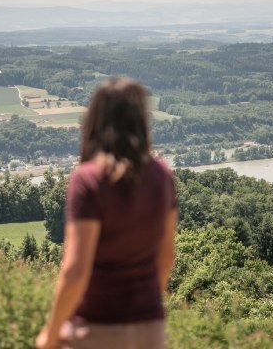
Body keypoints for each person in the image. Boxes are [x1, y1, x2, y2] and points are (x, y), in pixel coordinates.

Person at [36, 78, 178, 349]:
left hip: (96, 327)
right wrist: (143, 306)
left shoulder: (88, 180)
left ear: (94, 122)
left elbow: (75, 271)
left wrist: (50, 334)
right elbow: (166, 256)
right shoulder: (162, 176)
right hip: (149, 329)